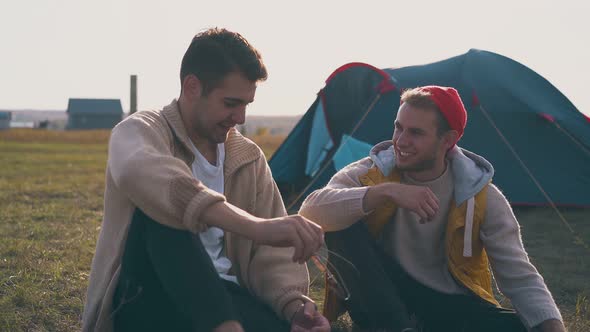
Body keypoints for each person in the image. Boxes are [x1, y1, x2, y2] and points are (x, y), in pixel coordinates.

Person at [82, 27, 330, 332]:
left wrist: (293, 308)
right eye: (230, 103)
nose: (240, 117)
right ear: (192, 87)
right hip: (146, 300)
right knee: (164, 210)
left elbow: (272, 253)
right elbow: (149, 178)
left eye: (246, 105)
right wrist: (256, 227)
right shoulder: (140, 131)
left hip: (226, 297)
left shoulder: (247, 157)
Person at [299, 86, 565, 332]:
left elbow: (520, 276)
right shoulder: (374, 172)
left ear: (447, 140)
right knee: (343, 222)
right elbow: (311, 210)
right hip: (384, 296)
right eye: (398, 127)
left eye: (415, 133)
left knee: (522, 327)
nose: (400, 141)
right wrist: (386, 191)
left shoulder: (480, 194)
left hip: (450, 304)